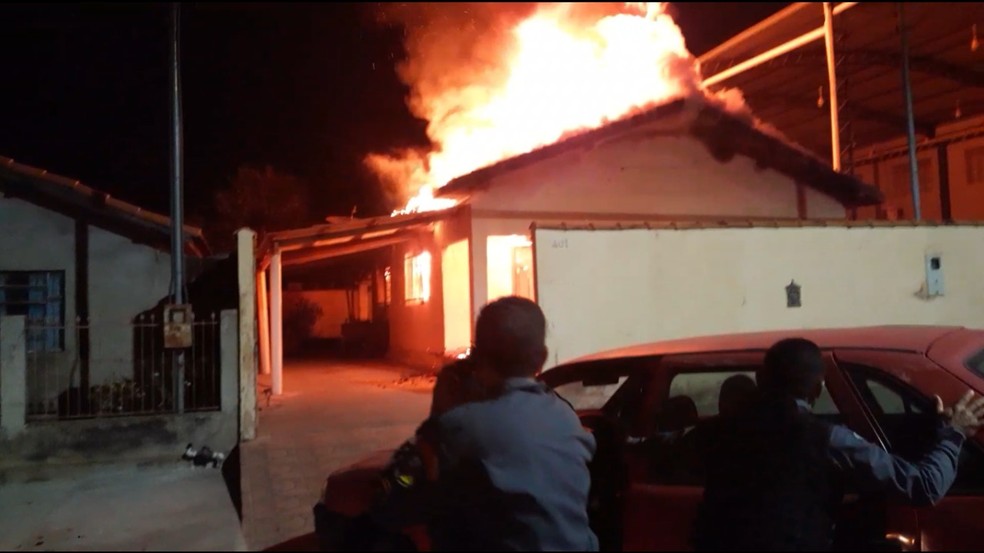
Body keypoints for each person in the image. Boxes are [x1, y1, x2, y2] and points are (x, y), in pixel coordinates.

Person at [692, 337, 984, 551]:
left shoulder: (712, 432)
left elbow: (657, 449)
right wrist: (954, 433)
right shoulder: (828, 440)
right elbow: (925, 487)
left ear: (760, 378)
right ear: (819, 388)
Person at [373, 296, 599, 551]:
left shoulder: (458, 426)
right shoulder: (567, 419)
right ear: (541, 359)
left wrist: (438, 423)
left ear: (477, 356)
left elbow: (394, 502)